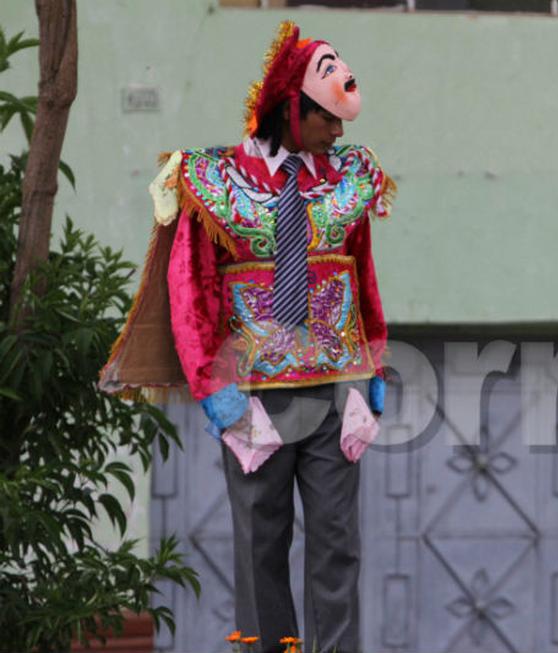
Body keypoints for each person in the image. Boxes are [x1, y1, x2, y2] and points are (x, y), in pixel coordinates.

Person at [100, 21, 395, 653]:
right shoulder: (210, 180)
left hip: (334, 393)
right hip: (256, 398)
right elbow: (191, 293)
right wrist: (216, 392)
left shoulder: (345, 179)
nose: (339, 134)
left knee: (338, 547)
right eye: (328, 121)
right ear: (292, 109)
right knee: (261, 546)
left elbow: (362, 277)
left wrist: (372, 370)